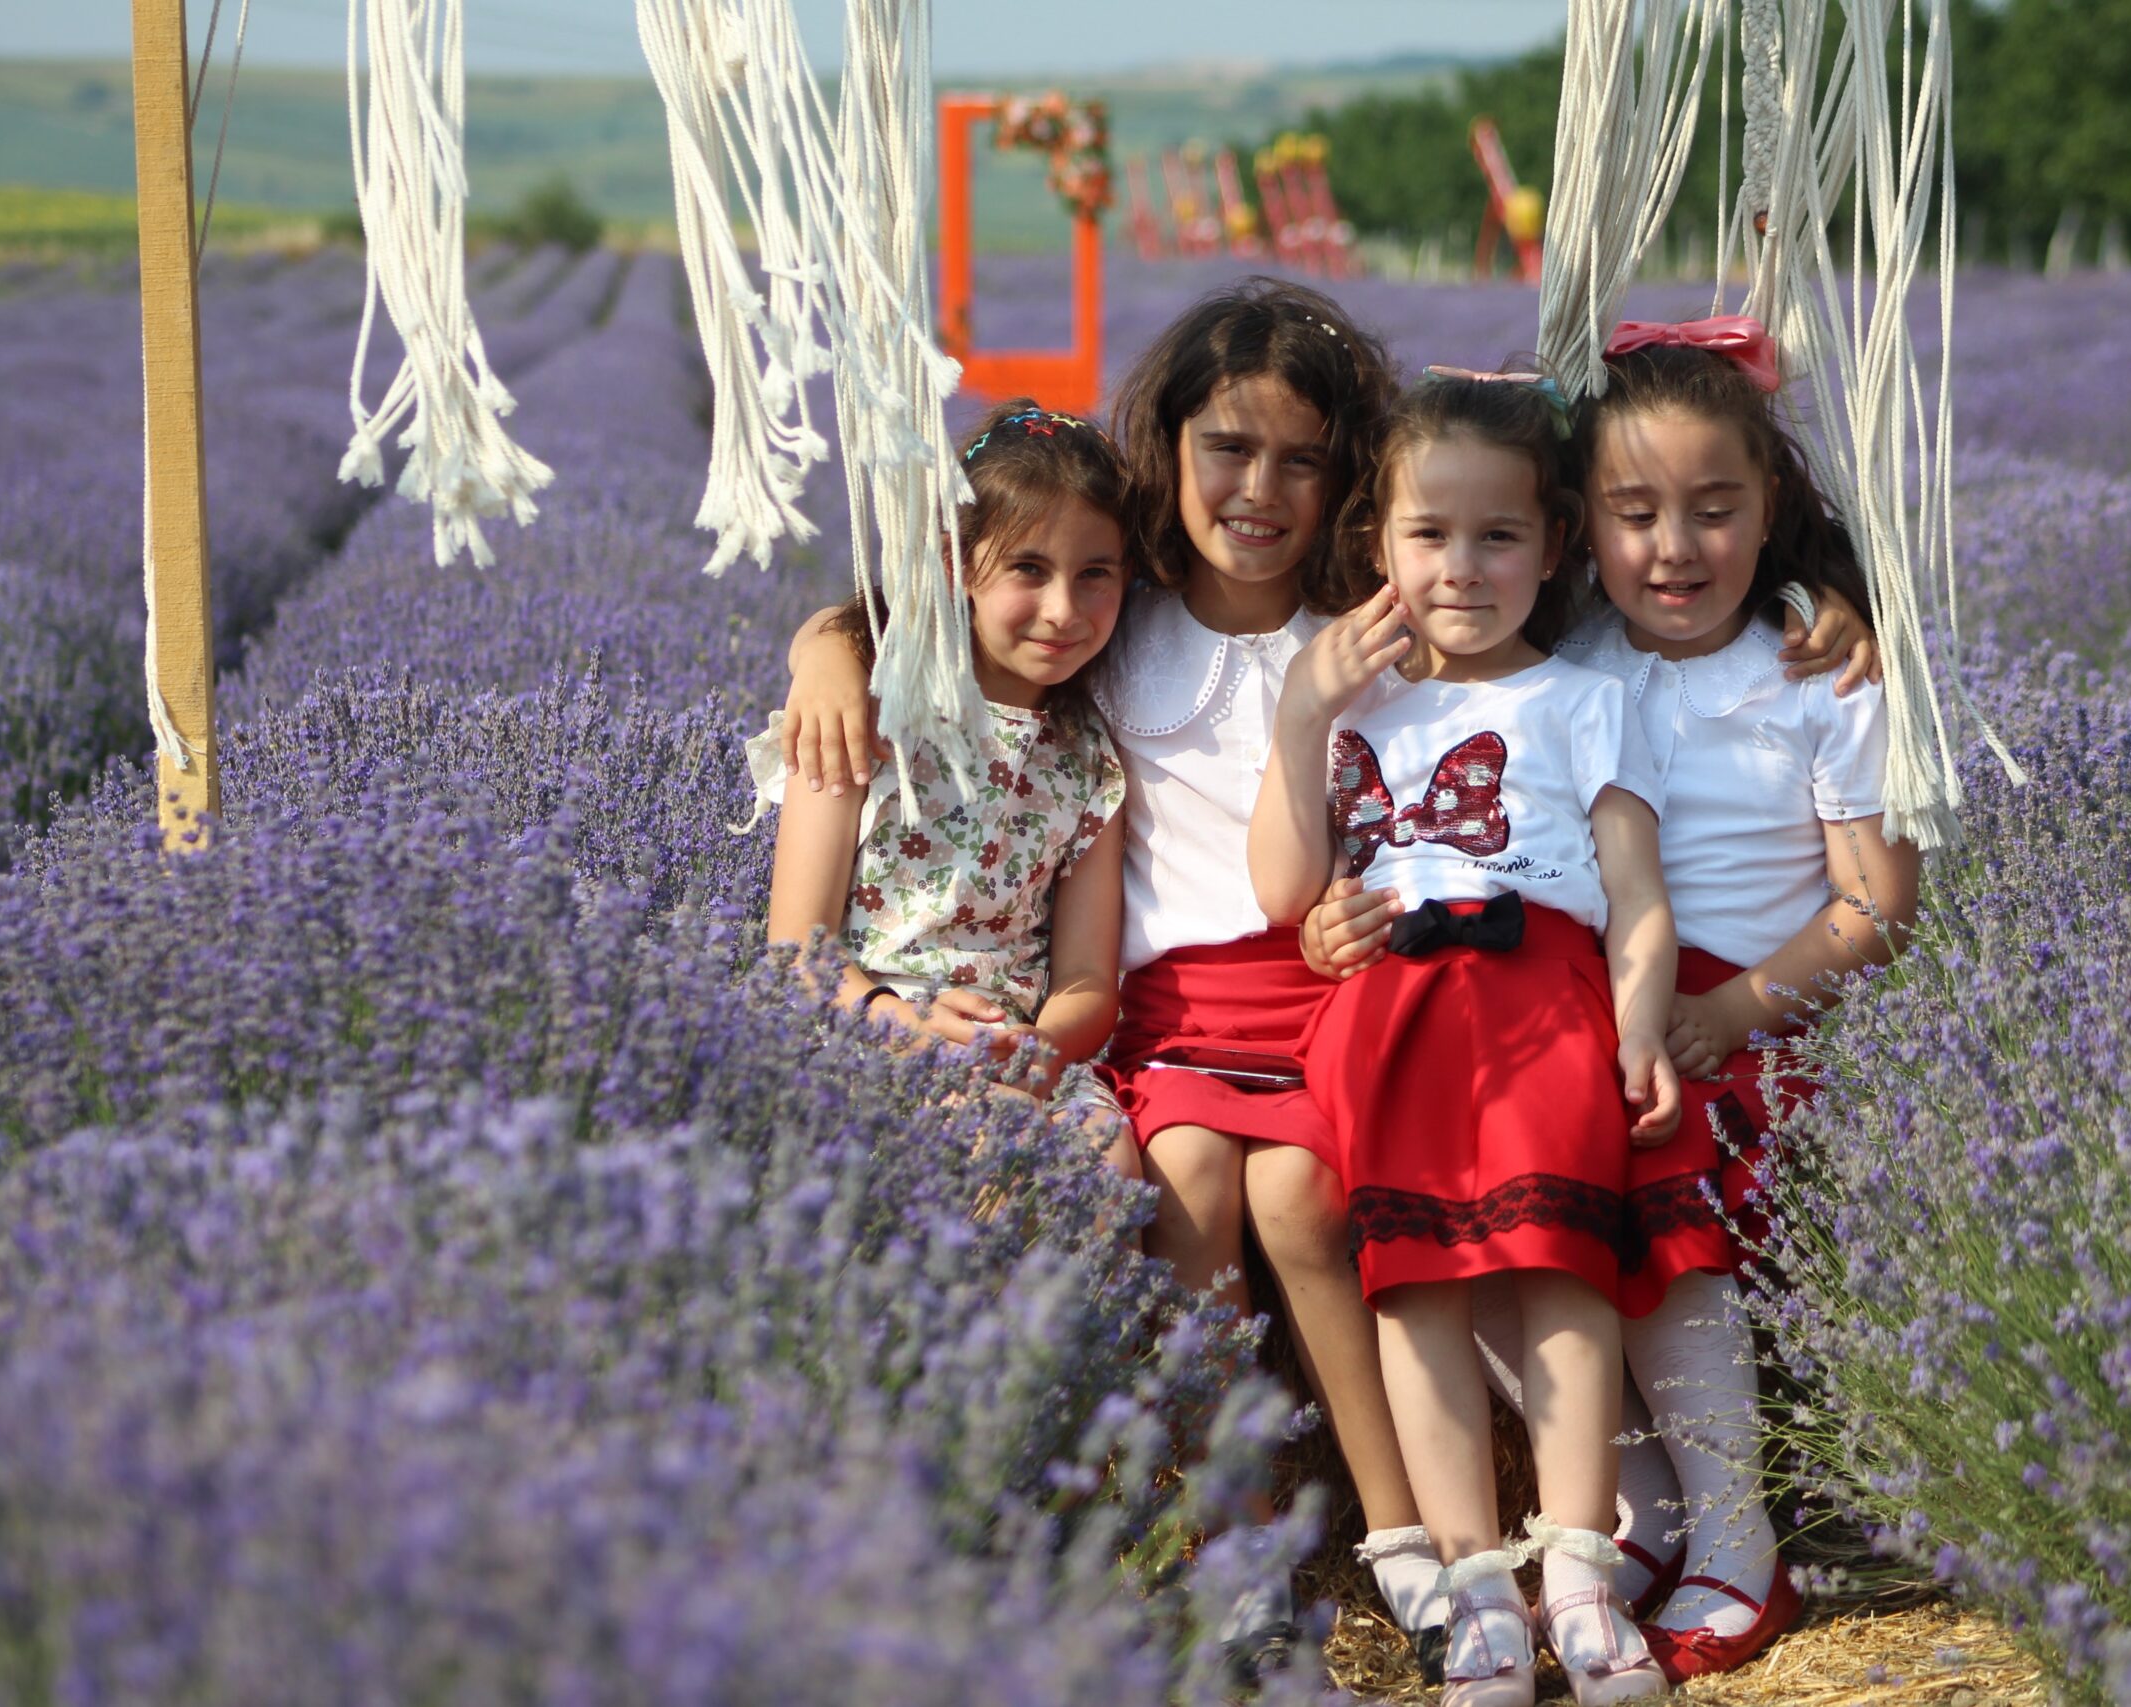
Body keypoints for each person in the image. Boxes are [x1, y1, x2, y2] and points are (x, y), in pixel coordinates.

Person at [774, 283, 1880, 1686]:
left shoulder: (1389, 628)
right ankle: (1232, 1528)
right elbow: (1007, 576)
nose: (1262, 489)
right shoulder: (1127, 613)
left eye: (1303, 459)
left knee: (1309, 1191)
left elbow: (1584, 597)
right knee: (1189, 1184)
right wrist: (834, 637)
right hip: (1178, 1012)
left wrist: (1815, 596)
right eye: (1228, 450)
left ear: (1351, 478)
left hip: (1354, 1001)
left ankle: (1418, 1534)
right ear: (1167, 456)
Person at [1310, 317, 1921, 1681]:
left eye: (1716, 509)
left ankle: (1736, 1533)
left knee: (1648, 1161)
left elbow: (1879, 901)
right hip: (1581, 998)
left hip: (1755, 1012)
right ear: (1583, 528)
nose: (1676, 546)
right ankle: (1632, 1506)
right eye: (1635, 512)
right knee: (1493, 1188)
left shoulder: (1816, 665)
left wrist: (1743, 1007)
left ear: (1775, 506)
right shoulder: (1575, 648)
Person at [1249, 369, 1683, 1707]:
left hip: (1541, 997)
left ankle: (1579, 1567)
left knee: (1562, 1266)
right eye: (1429, 535)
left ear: (1553, 547)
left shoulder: (1583, 698)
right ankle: (1473, 1580)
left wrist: (1641, 1030)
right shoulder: (1348, 693)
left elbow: (1638, 897)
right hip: (1388, 1016)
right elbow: (1282, 888)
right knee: (1413, 1287)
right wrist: (1302, 715)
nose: (1463, 566)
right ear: (1377, 545)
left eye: (1499, 536)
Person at [758, 400, 1138, 1176]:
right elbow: (796, 951)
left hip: (1018, 1053)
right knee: (988, 1151)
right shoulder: (866, 713)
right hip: (862, 1031)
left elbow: (1089, 981)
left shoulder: (1088, 760)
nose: (1064, 610)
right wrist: (903, 1022)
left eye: (1095, 574)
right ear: (957, 565)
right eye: (1029, 569)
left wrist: (1030, 1043)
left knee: (1109, 1167)